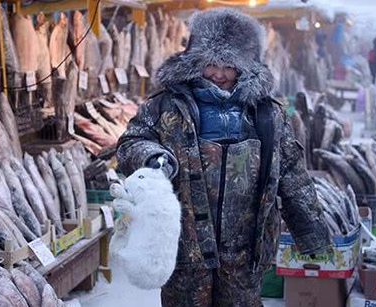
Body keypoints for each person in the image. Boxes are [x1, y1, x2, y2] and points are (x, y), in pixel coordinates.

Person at [116, 9, 332, 307]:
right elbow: (130, 143)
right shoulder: (166, 106)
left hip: (246, 250)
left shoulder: (267, 114)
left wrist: (311, 232)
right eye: (211, 63)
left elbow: (293, 174)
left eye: (229, 65)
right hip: (184, 247)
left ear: (246, 65)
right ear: (195, 59)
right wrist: (152, 157)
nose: (219, 73)